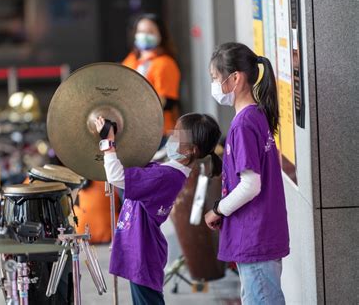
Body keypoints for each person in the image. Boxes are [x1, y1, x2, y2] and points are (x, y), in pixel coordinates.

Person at [95, 113, 222, 305]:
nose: (171, 137)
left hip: (143, 252)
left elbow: (115, 176)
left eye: (178, 135)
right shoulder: (170, 172)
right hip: (143, 250)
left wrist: (108, 142)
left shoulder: (165, 176)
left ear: (190, 150)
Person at [204, 42, 289, 304]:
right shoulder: (257, 116)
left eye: (216, 78)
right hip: (262, 234)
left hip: (255, 237)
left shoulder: (242, 125)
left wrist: (218, 209)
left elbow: (250, 185)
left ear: (236, 78)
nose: (215, 85)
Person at [122, 13, 181, 143]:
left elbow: (167, 102)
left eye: (150, 31)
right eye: (141, 31)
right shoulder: (131, 59)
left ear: (160, 34)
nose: (145, 35)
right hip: (132, 131)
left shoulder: (165, 63)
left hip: (159, 133)